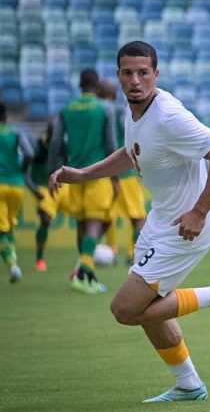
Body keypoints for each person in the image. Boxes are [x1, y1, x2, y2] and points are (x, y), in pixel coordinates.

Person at [49, 41, 210, 402]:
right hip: (159, 221)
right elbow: (132, 152)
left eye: (143, 73)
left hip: (184, 227)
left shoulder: (169, 116)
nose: (135, 80)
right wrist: (83, 175)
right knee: (147, 309)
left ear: (156, 75)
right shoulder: (133, 111)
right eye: (128, 73)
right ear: (118, 76)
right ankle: (189, 384)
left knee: (125, 309)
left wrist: (199, 211)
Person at [47, 68, 120, 293]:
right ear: (97, 86)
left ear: (79, 84)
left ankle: (86, 276)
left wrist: (53, 173)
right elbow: (111, 144)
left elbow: (55, 143)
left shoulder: (65, 110)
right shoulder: (104, 109)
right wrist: (115, 177)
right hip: (97, 174)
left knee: (81, 224)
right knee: (94, 223)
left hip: (73, 175)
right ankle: (84, 275)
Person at [97, 79, 146, 265]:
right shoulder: (120, 111)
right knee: (137, 215)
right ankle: (135, 253)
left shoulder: (95, 111)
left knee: (104, 217)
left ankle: (109, 250)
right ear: (114, 94)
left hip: (101, 173)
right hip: (123, 171)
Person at [0, 101, 35, 283]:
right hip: (16, 185)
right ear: (5, 115)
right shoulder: (15, 132)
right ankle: (13, 259)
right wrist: (20, 171)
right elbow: (28, 153)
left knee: (1, 232)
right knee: (10, 226)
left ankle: (13, 265)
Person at [25, 118, 61, 272]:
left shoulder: (62, 145)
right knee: (45, 219)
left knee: (88, 218)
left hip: (64, 188)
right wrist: (33, 188)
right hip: (44, 187)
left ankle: (84, 260)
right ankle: (39, 259)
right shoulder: (39, 147)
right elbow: (27, 168)